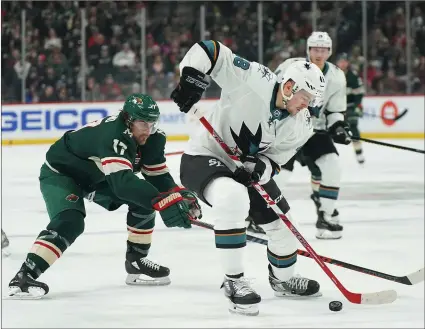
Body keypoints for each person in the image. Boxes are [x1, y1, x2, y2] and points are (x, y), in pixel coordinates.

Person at [171, 40, 326, 316]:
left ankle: (283, 279)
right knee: (233, 197)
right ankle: (234, 280)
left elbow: (275, 162)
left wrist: (259, 168)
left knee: (286, 224)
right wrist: (191, 79)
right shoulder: (255, 78)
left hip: (243, 169)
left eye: (312, 102)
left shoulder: (301, 125)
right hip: (204, 157)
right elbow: (210, 50)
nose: (308, 106)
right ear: (289, 87)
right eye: (306, 98)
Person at [7, 94, 202, 299]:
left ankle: (136, 262)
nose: (148, 129)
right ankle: (24, 277)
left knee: (143, 199)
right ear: (127, 119)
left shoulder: (154, 138)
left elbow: (158, 177)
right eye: (142, 123)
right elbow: (123, 185)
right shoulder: (113, 135)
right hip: (63, 173)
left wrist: (177, 195)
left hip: (98, 175)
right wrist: (162, 201)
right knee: (70, 221)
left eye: (152, 122)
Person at [266, 31, 351, 240]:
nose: (319, 53)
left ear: (329, 52)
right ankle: (260, 215)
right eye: (315, 49)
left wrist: (338, 126)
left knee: (332, 165)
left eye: (323, 50)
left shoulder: (338, 76)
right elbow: (272, 91)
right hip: (288, 127)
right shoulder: (290, 66)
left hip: (313, 131)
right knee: (281, 174)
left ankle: (327, 216)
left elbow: (335, 111)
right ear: (308, 50)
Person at [336, 53, 366, 164]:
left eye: (345, 61)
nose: (343, 63)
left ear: (348, 63)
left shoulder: (353, 77)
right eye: (341, 61)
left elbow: (359, 93)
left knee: (353, 127)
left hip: (350, 107)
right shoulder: (332, 75)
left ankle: (359, 153)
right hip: (334, 109)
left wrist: (357, 106)